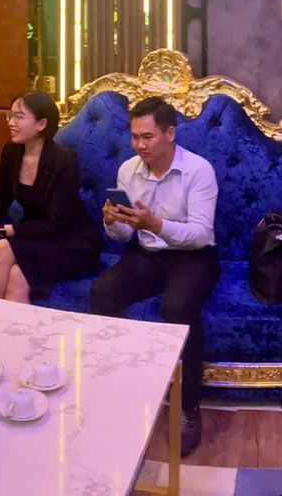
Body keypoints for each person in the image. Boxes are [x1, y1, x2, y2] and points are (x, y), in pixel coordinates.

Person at [89, 97, 220, 454]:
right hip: (147, 253)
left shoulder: (199, 171)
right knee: (103, 291)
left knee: (177, 307)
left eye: (147, 137)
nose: (139, 145)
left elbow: (201, 234)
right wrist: (112, 222)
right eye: (134, 137)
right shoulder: (128, 170)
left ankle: (188, 408)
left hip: (194, 257)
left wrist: (156, 224)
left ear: (170, 134)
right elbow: (124, 236)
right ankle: (115, 388)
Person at [0, 91, 100, 303]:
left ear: (41, 124)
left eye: (19, 117)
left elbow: (55, 224)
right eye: (10, 115)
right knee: (17, 278)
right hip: (37, 237)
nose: (11, 122)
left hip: (73, 242)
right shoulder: (12, 152)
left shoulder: (64, 161)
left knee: (3, 247)